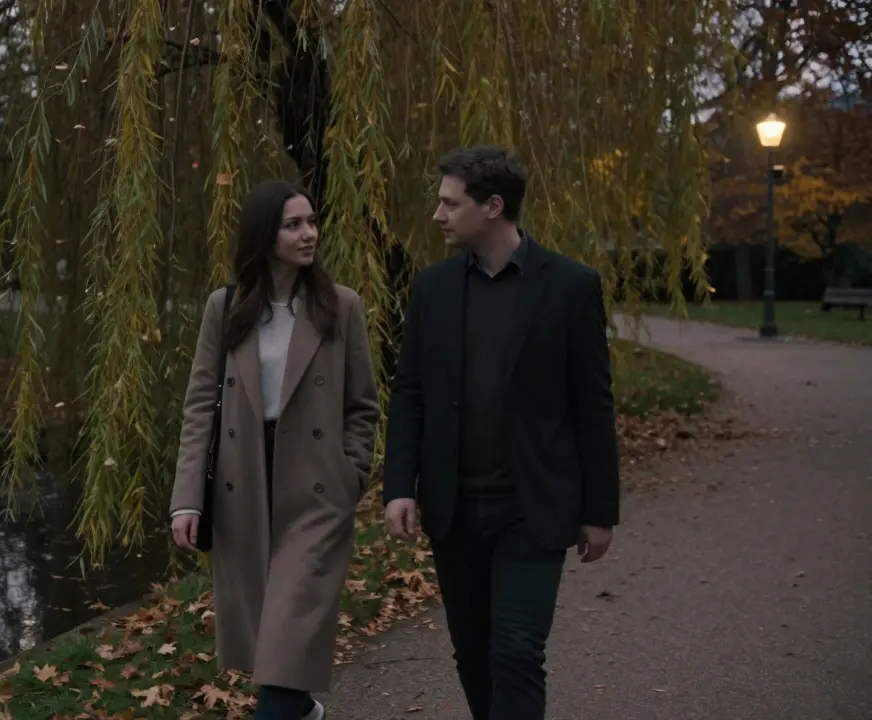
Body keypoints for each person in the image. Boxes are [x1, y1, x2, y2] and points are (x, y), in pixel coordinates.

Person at [382, 145, 621, 720]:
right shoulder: (432, 289)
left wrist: (600, 510)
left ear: (493, 206)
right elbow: (409, 392)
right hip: (454, 507)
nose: (438, 215)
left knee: (516, 650)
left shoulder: (569, 285)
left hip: (532, 508)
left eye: (449, 203)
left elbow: (593, 405)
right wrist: (399, 485)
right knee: (474, 654)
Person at [169, 179, 380, 720]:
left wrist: (349, 474)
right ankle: (304, 710)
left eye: (312, 221)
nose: (309, 233)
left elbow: (363, 406)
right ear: (265, 236)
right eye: (294, 224)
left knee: (285, 644)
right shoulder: (227, 306)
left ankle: (290, 709)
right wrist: (187, 498)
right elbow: (200, 407)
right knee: (271, 642)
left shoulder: (341, 307)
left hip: (315, 494)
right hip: (244, 486)